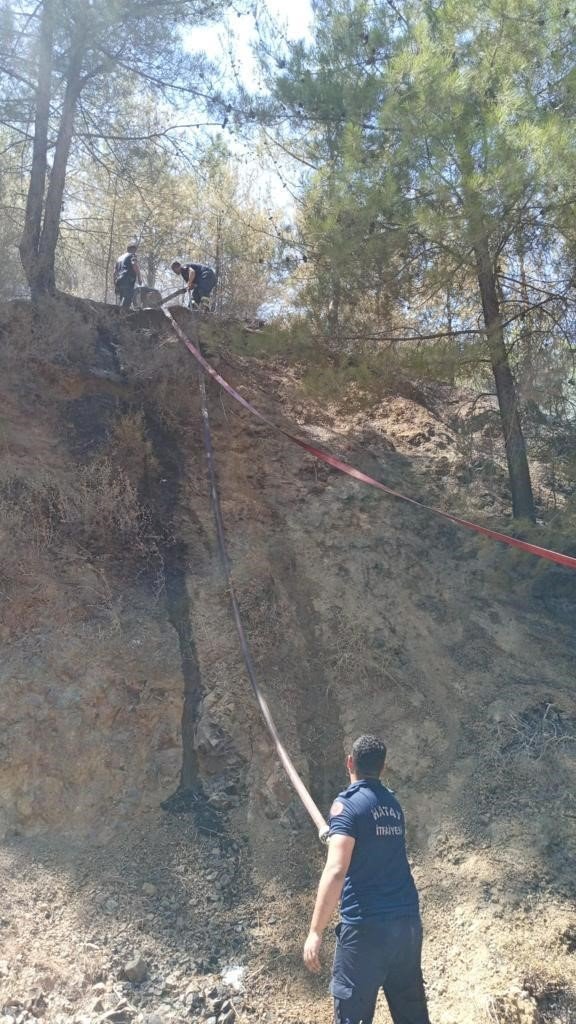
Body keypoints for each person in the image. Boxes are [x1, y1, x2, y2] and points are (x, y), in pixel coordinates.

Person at [303, 734, 431, 1024]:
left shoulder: (347, 806)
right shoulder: (393, 805)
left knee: (352, 1017)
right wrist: (337, 833)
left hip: (366, 932)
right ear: (382, 768)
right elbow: (373, 846)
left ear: (350, 762)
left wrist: (315, 930)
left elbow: (336, 870)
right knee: (412, 1016)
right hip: (406, 928)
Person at [114, 241, 141, 309]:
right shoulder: (132, 255)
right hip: (127, 279)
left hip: (119, 281)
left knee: (121, 300)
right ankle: (123, 315)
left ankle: (119, 316)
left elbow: (114, 272)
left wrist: (115, 285)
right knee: (128, 298)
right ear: (133, 249)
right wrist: (139, 277)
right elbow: (134, 265)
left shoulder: (119, 258)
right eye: (135, 250)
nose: (135, 252)